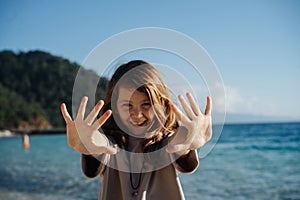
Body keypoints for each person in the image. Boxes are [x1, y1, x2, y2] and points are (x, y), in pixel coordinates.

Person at [61, 60, 212, 200]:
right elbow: (101, 145)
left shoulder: (165, 143)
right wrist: (89, 143)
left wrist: (188, 138)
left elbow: (177, 144)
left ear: (161, 104)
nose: (137, 115)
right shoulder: (111, 144)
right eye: (127, 105)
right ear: (114, 107)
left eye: (146, 104)